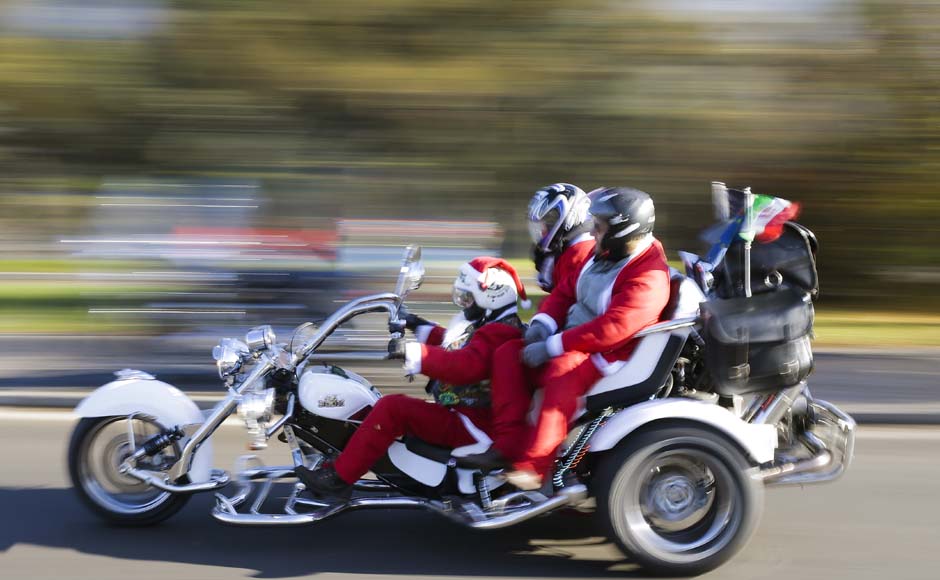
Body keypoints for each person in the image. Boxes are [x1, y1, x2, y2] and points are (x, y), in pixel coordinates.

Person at [466, 187, 671, 489]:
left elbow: (612, 329)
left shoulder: (648, 277)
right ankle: (508, 445)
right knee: (509, 352)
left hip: (614, 354)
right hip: (576, 340)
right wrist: (542, 325)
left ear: (621, 230)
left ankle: (534, 467)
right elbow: (566, 290)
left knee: (562, 371)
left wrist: (552, 346)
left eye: (599, 226)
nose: (593, 231)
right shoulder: (604, 253)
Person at [295, 257, 530, 500]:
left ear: (492, 296)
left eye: (468, 298)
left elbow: (465, 365)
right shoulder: (493, 325)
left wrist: (412, 352)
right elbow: (456, 346)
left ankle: (339, 478)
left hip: (474, 426)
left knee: (392, 408)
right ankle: (346, 459)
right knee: (387, 406)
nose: (464, 304)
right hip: (466, 415)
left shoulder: (500, 332)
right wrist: (416, 324)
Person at [527, 183, 596, 293]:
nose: (543, 231)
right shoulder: (567, 246)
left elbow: (563, 299)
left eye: (547, 222)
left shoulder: (578, 252)